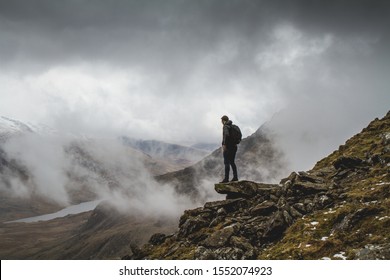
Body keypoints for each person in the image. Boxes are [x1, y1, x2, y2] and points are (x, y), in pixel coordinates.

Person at [220, 115, 238, 183]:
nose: (221, 122)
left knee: (226, 162)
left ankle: (226, 179)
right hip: (234, 146)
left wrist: (224, 144)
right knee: (232, 162)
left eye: (221, 121)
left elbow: (226, 135)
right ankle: (235, 177)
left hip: (228, 147)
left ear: (223, 120)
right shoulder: (233, 126)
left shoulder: (225, 126)